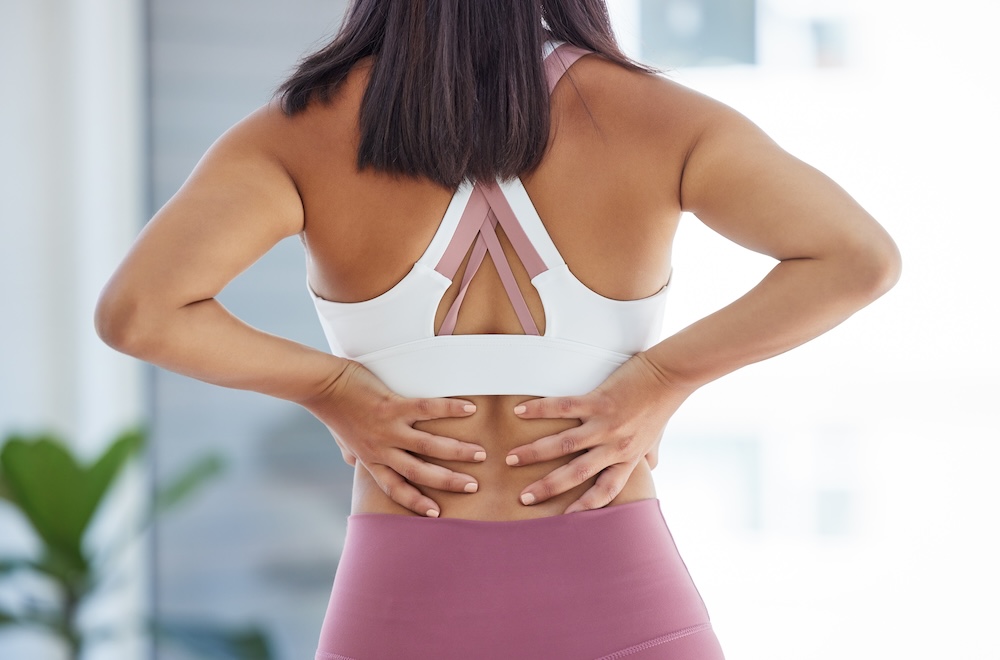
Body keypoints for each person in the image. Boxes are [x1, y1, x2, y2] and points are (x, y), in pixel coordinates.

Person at [94, 1, 901, 658]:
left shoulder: (303, 131)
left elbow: (140, 312)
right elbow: (856, 258)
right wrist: (661, 381)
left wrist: (333, 389)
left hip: (400, 600)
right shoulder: (657, 117)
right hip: (615, 587)